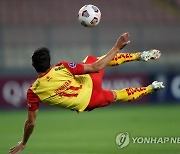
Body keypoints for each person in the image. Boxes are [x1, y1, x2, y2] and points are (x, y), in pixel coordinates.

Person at [9, 32, 164, 154]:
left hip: (89, 102)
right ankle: (138, 56)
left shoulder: (33, 92)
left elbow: (31, 123)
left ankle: (151, 88)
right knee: (93, 60)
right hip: (90, 83)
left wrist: (24, 142)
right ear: (50, 63)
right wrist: (116, 47)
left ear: (32, 66)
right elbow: (96, 68)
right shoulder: (62, 67)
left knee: (117, 95)